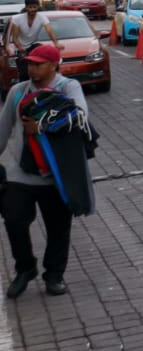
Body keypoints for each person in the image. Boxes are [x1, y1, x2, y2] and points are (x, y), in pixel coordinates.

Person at [0, 44, 92, 298]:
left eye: (38, 64)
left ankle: (54, 276)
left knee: (58, 229)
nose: (32, 68)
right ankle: (25, 268)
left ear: (53, 65)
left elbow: (80, 116)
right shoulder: (18, 92)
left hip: (56, 175)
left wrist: (41, 126)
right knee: (15, 220)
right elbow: (3, 127)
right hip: (21, 173)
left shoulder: (68, 87)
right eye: (30, 64)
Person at [6, 0, 61, 78]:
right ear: (26, 7)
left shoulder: (42, 17)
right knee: (24, 72)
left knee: (42, 54)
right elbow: (15, 38)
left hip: (33, 45)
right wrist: (21, 48)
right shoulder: (17, 19)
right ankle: (24, 86)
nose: (32, 9)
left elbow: (49, 31)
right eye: (30, 7)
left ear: (38, 7)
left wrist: (56, 43)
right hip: (21, 47)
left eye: (34, 7)